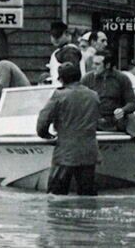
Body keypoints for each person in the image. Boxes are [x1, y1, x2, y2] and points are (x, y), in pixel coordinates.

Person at [37, 62, 100, 196]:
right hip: (89, 152)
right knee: (87, 196)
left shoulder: (59, 95)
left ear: (62, 79)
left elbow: (43, 120)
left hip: (66, 153)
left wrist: (45, 134)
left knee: (55, 196)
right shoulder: (94, 95)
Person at [81, 50, 135, 160]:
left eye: (97, 64)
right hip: (94, 119)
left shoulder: (122, 78)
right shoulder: (87, 79)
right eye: (93, 63)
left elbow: (132, 103)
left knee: (131, 118)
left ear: (108, 65)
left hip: (116, 119)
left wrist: (123, 110)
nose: (93, 66)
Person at [49, 21, 82, 86]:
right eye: (53, 35)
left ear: (67, 34)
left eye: (58, 35)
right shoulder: (63, 50)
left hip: (66, 89)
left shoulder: (70, 51)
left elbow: (71, 75)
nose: (56, 39)